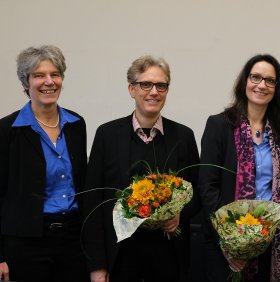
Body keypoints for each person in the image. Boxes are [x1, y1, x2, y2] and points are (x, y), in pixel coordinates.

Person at [83, 55, 200, 282]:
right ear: (131, 89)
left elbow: (197, 191)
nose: (153, 92)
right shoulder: (107, 135)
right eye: (145, 84)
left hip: (169, 255)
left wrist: (179, 215)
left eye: (161, 85)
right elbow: (93, 203)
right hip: (120, 256)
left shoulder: (183, 136)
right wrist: (97, 265)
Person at [198, 54, 280, 281]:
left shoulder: (279, 130)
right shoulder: (219, 125)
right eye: (256, 77)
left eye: (270, 80)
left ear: (276, 87)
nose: (262, 85)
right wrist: (230, 239)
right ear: (245, 81)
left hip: (270, 240)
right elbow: (208, 187)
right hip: (227, 245)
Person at [0, 45, 88, 281]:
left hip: (73, 240)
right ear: (25, 82)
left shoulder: (76, 124)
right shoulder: (7, 130)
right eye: (39, 75)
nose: (49, 81)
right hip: (26, 244)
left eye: (55, 74)